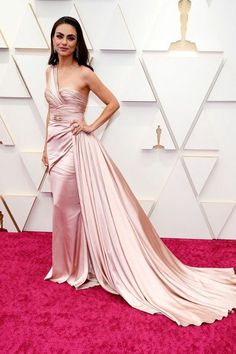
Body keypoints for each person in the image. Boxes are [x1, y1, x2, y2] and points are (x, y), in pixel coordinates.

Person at [43, 16, 236, 327]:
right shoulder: (49, 72)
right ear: (52, 39)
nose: (64, 42)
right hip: (55, 146)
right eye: (59, 36)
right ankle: (68, 265)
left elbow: (112, 103)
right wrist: (44, 147)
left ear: (78, 44)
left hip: (77, 148)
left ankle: (76, 268)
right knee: (61, 207)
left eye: (70, 38)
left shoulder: (84, 73)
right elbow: (51, 111)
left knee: (71, 208)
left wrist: (89, 125)